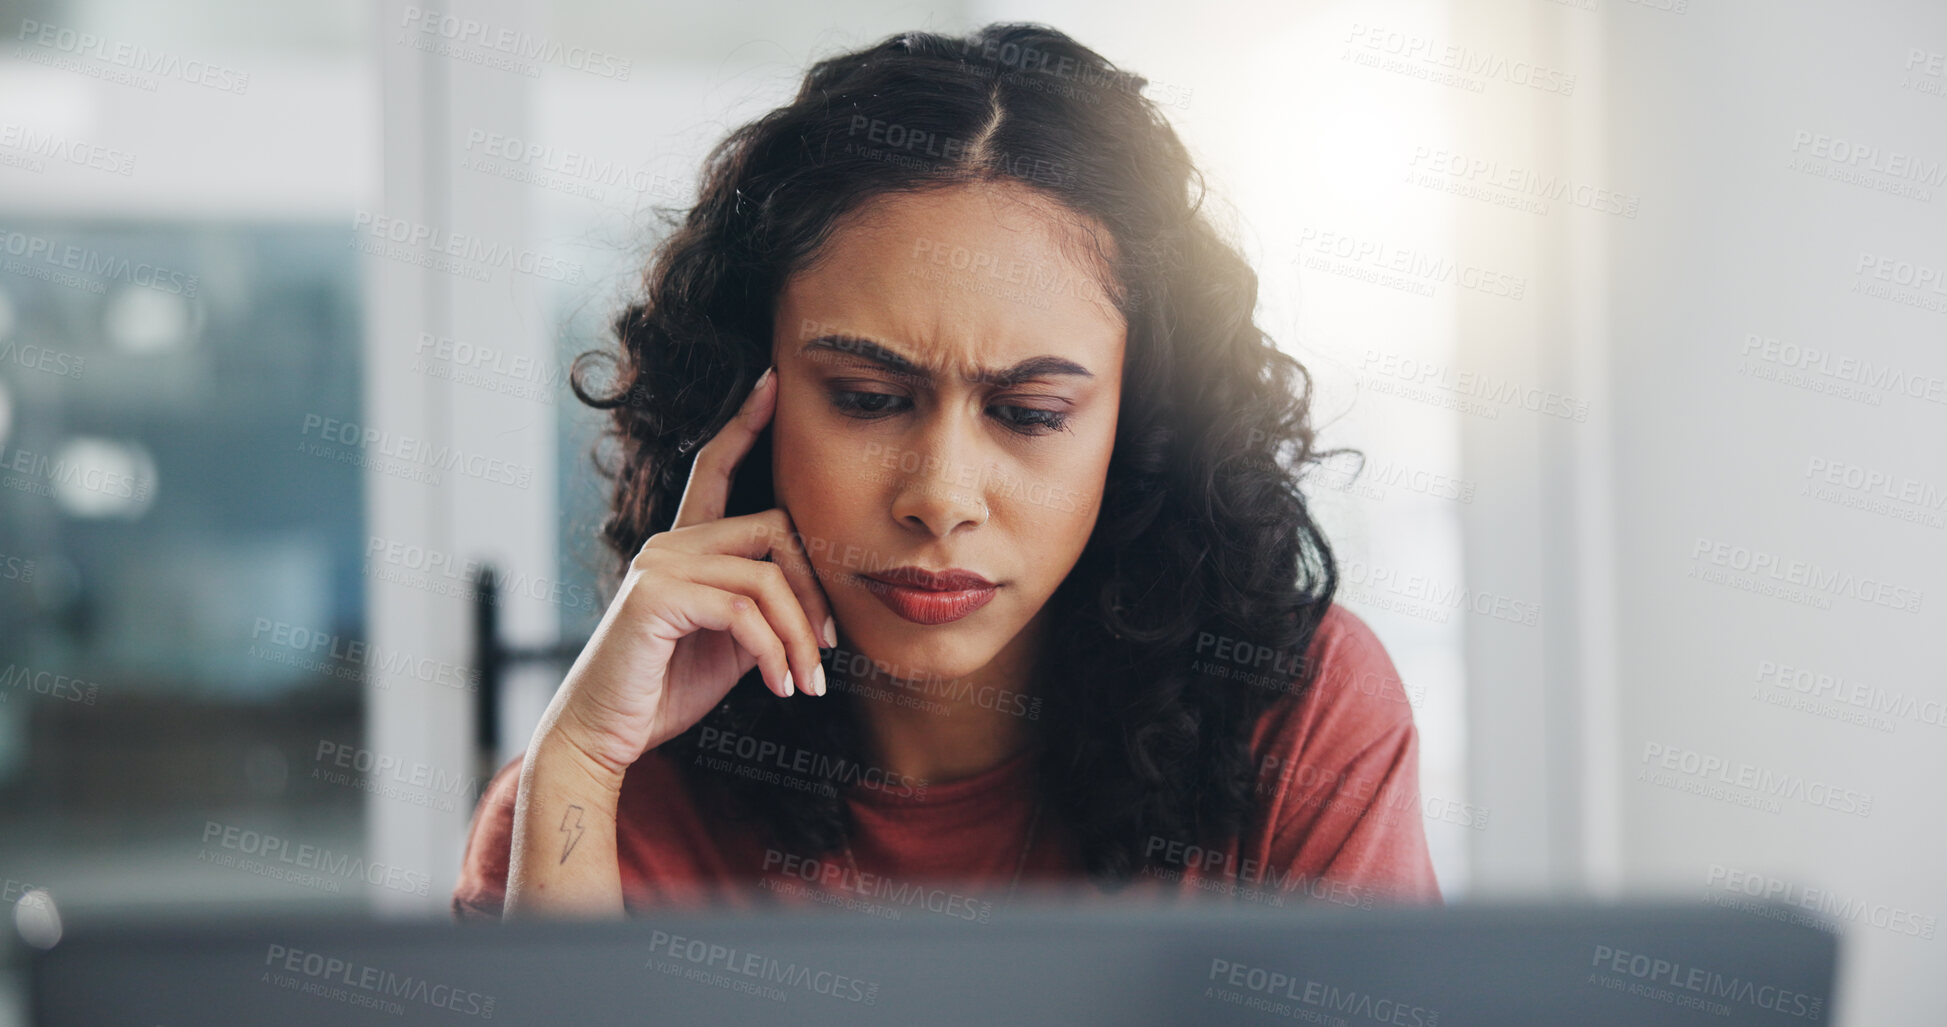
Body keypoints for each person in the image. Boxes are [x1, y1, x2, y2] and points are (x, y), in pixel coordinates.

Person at [453, 22, 1440, 922]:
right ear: (747, 398)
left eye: (1030, 414)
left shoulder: (1297, 716)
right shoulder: (599, 778)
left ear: (1139, 428)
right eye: (868, 399)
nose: (940, 498)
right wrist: (579, 761)